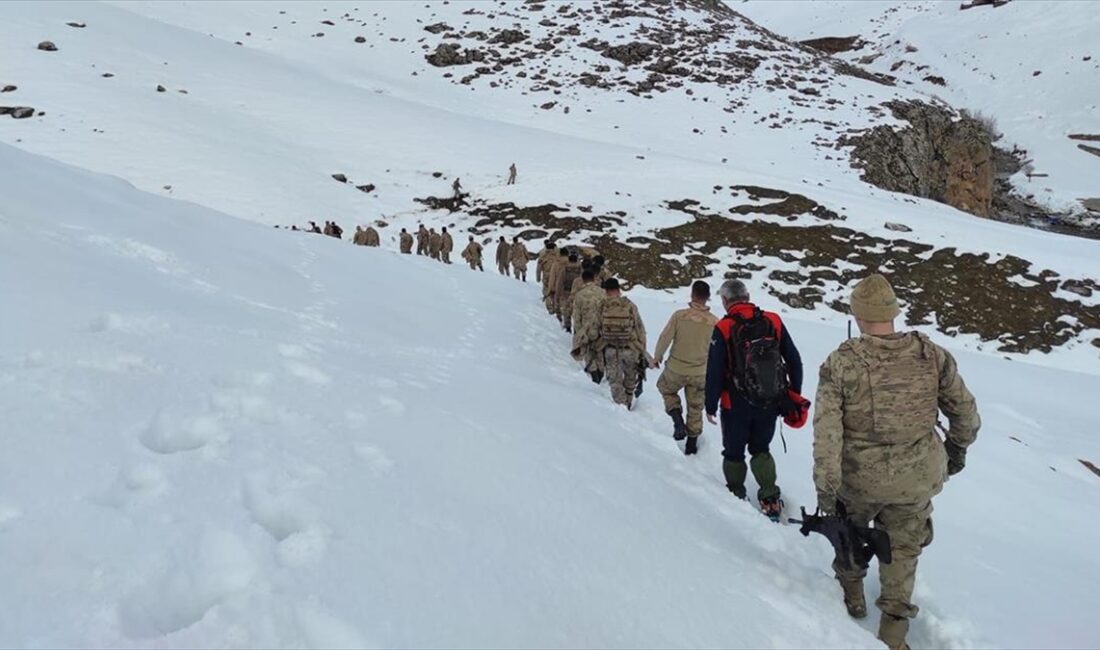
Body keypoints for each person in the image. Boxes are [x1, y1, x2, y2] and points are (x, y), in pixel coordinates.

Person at [812, 274, 979, 650]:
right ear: (893, 313)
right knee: (903, 550)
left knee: (850, 536)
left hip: (858, 482)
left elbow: (826, 434)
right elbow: (966, 414)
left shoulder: (841, 363)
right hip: (916, 479)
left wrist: (827, 489)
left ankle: (853, 595)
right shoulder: (931, 355)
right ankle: (893, 632)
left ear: (855, 314)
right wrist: (955, 453)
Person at [704, 280, 804, 519]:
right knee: (761, 449)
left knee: (734, 453)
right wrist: (792, 392)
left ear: (725, 302)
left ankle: (736, 494)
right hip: (769, 399)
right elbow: (794, 360)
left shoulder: (724, 327)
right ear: (748, 296)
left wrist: (710, 404)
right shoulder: (773, 320)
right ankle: (770, 496)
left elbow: (715, 371)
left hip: (734, 402)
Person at [651, 280, 719, 456]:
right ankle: (692, 444)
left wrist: (657, 357)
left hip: (676, 368)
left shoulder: (679, 316)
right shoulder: (714, 322)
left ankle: (676, 418)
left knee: (665, 388)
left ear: (692, 294)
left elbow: (665, 337)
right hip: (700, 372)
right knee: (696, 407)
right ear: (708, 297)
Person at [595, 278, 650, 409]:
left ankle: (621, 406)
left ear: (605, 291)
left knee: (615, 381)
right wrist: (642, 350)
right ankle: (628, 402)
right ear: (619, 290)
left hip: (610, 349)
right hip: (630, 348)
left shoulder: (602, 305)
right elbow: (640, 329)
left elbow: (595, 328)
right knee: (630, 378)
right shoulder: (629, 305)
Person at [570, 269, 606, 383]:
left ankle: (594, 374)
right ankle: (600, 371)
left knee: (589, 352)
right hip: (602, 327)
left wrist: (577, 332)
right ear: (594, 279)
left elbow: (576, 316)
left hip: (586, 328)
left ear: (583, 280)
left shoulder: (580, 295)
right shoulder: (603, 293)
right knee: (600, 350)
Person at [555, 253, 583, 332]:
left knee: (567, 309)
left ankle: (568, 326)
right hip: (578, 292)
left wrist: (557, 295)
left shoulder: (565, 269)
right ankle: (577, 328)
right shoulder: (581, 269)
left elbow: (559, 282)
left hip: (566, 291)